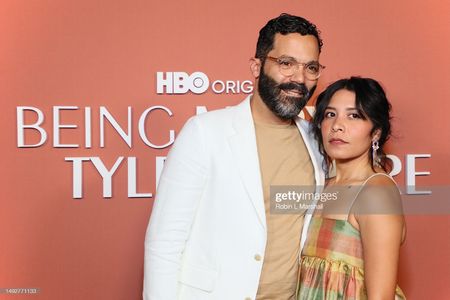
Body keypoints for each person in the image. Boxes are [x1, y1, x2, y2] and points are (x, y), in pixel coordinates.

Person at [144, 13, 326, 300]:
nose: (299, 79)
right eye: (286, 64)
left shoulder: (318, 141)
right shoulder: (205, 132)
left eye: (311, 67)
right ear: (256, 66)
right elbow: (164, 242)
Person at [297, 77, 406, 299]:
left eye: (353, 115)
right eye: (330, 114)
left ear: (375, 132)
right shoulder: (321, 185)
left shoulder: (375, 193)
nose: (337, 125)